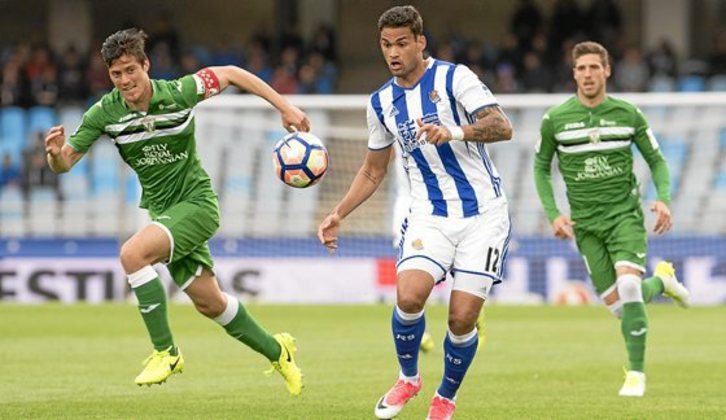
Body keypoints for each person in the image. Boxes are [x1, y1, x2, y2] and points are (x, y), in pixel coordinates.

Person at [44, 28, 308, 395]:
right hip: (165, 215)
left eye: (130, 70)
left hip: (197, 205)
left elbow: (232, 73)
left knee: (132, 254)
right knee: (211, 304)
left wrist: (285, 106)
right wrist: (54, 155)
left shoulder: (179, 93)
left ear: (146, 65)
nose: (125, 80)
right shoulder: (104, 113)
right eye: (116, 74)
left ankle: (166, 353)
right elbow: (65, 163)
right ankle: (278, 351)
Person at [318, 6, 513, 419]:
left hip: (483, 215)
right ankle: (408, 378)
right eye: (386, 45)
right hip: (429, 213)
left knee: (462, 319)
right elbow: (373, 170)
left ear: (420, 42)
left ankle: (445, 398)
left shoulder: (454, 78)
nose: (393, 52)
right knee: (408, 295)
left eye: (402, 43)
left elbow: (501, 125)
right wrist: (339, 213)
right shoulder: (381, 103)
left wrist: (454, 131)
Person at [533, 41, 690, 398]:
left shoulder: (628, 114)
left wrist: (663, 199)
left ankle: (635, 375)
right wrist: (554, 214)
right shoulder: (556, 120)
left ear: (607, 70)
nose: (588, 74)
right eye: (581, 68)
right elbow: (541, 167)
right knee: (621, 308)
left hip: (624, 218)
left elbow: (657, 160)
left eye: (594, 67)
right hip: (585, 227)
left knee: (630, 287)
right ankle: (662, 282)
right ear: (574, 73)